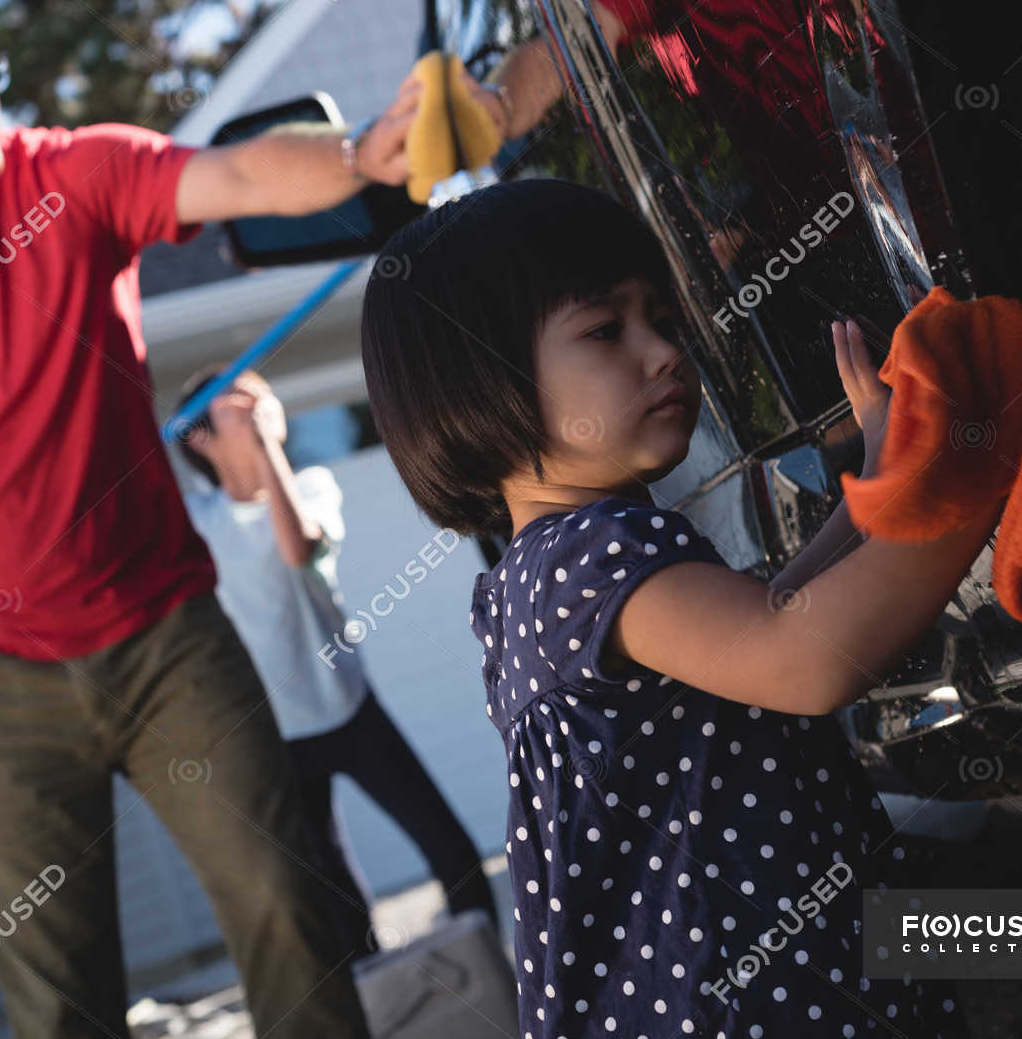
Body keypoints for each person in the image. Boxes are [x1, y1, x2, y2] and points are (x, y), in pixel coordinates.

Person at [0, 0, 428, 1039]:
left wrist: (356, 161)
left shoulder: (73, 178)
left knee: (292, 914)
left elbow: (239, 172)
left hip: (171, 642)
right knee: (59, 1007)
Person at [358, 178, 979, 1036]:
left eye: (664, 319)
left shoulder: (540, 573)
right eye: (608, 330)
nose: (663, 352)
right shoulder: (589, 556)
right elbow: (807, 657)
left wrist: (881, 479)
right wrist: (967, 469)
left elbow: (773, 611)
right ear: (480, 384)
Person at [171, 365, 501, 953]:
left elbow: (297, 547)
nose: (263, 406)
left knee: (449, 850)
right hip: (277, 735)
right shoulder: (199, 525)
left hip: (350, 708)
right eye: (238, 405)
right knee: (337, 897)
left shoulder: (315, 486)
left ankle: (489, 981)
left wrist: (263, 446)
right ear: (200, 439)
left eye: (263, 396)